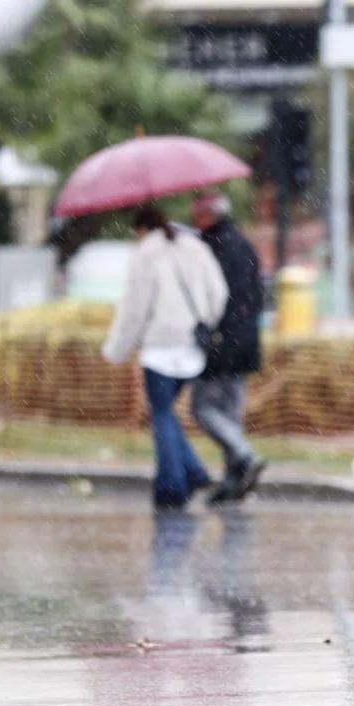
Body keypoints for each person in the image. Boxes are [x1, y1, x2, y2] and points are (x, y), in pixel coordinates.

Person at [102, 206, 228, 509]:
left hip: (159, 349)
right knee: (166, 413)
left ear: (143, 229)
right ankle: (193, 472)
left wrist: (115, 350)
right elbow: (219, 293)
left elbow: (134, 310)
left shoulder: (145, 255)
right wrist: (205, 323)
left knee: (161, 413)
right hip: (192, 350)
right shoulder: (196, 247)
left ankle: (173, 487)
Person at [189, 192, 267, 504]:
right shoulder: (244, 244)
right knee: (230, 413)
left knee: (204, 408)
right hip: (247, 341)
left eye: (198, 212)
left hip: (222, 341)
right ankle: (234, 479)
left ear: (209, 214)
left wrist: (210, 332)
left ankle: (244, 456)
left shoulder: (211, 249)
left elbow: (211, 297)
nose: (195, 218)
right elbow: (257, 295)